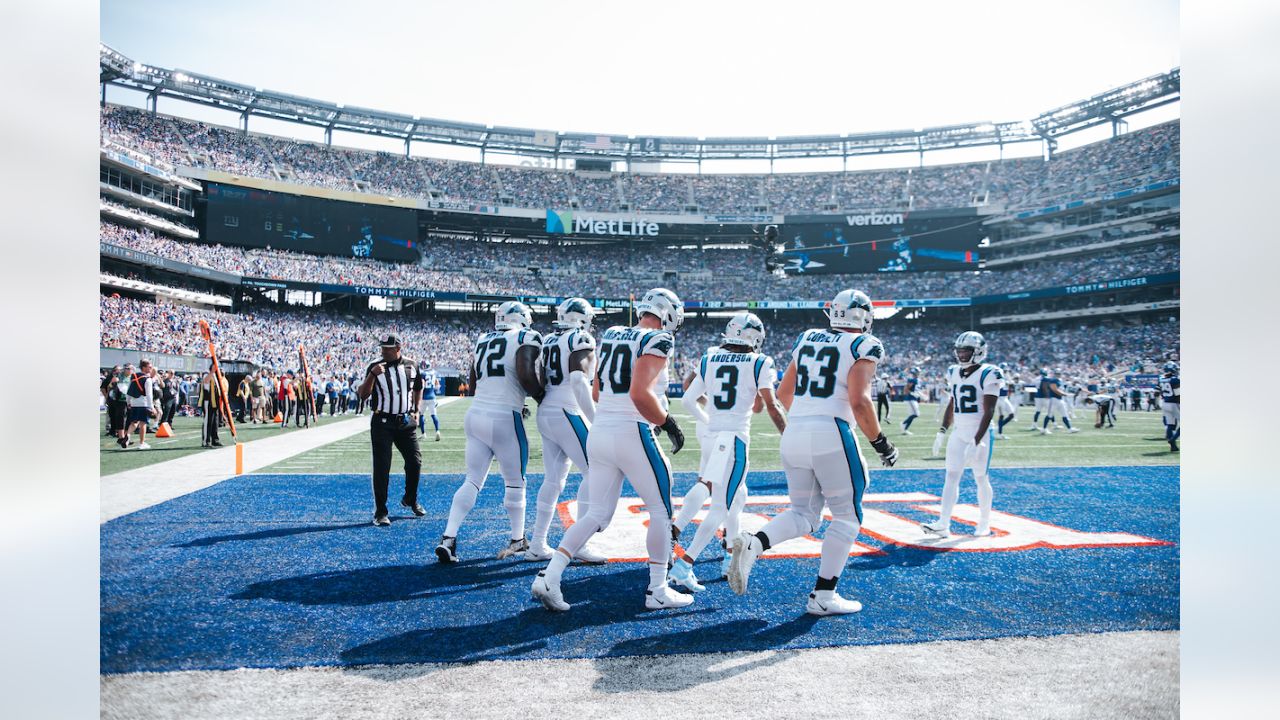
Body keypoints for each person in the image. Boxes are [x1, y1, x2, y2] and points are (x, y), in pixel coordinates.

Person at [727, 289, 898, 616]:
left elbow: (783, 394)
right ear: (864, 316)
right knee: (848, 516)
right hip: (831, 431)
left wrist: (808, 418)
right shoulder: (864, 344)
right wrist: (881, 443)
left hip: (795, 432)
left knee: (804, 514)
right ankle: (824, 595)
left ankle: (755, 543)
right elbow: (860, 401)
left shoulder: (807, 338)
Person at [531, 288, 689, 612]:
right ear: (669, 313)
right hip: (632, 432)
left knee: (595, 513)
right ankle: (658, 589)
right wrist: (669, 423)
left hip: (600, 433)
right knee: (661, 512)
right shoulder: (658, 339)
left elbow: (598, 391)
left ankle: (551, 575)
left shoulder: (614, 333)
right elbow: (639, 394)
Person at [669, 312, 787, 592]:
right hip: (734, 439)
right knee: (721, 505)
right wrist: (788, 434)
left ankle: (727, 554)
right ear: (755, 337)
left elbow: (686, 399)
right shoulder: (760, 361)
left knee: (736, 497)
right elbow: (770, 405)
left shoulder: (710, 358)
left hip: (713, 437)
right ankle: (685, 564)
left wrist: (712, 420)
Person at [437, 302, 544, 561]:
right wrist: (541, 396)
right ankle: (518, 538)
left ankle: (448, 538)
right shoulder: (525, 336)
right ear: (521, 319)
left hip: (475, 415)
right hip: (505, 416)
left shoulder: (483, 339)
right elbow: (526, 375)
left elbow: (473, 383)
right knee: (515, 482)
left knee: (472, 480)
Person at [526, 298, 608, 563]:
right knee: (594, 471)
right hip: (567, 409)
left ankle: (538, 543)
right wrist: (596, 421)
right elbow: (578, 380)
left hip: (547, 408)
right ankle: (579, 544)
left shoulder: (549, 339)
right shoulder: (580, 338)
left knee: (553, 480)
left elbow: (539, 376)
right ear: (583, 318)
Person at [922, 332, 1004, 538]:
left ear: (978, 352)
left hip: (981, 434)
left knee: (980, 477)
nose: (962, 355)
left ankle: (984, 523)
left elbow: (990, 411)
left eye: (966, 351)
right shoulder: (953, 372)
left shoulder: (990, 373)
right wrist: (942, 430)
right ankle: (943, 523)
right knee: (951, 476)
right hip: (959, 432)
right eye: (959, 351)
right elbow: (953, 402)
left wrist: (977, 441)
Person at [357, 335, 425, 526]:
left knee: (415, 461)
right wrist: (372, 375)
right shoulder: (375, 366)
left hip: (404, 420)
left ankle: (410, 498)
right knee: (382, 467)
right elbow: (362, 395)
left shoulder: (412, 365)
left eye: (387, 348)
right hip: (382, 422)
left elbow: (419, 387)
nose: (383, 352)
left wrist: (416, 409)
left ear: (398, 348)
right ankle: (380, 512)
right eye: (382, 348)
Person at [120, 359, 157, 450]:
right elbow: (149, 395)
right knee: (143, 423)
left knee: (134, 422)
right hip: (143, 403)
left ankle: (127, 435)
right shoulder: (147, 379)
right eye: (149, 367)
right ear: (144, 367)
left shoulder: (134, 377)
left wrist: (128, 402)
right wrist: (151, 407)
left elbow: (129, 391)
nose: (151, 369)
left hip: (134, 403)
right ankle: (142, 443)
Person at [199, 364, 228, 448]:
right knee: (208, 421)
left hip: (215, 401)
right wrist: (212, 371)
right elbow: (206, 381)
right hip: (208, 401)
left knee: (215, 421)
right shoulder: (207, 374)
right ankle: (206, 441)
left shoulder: (216, 376)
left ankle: (215, 440)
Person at [1159, 361, 1180, 452]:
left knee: (1170, 425)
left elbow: (1161, 392)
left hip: (1165, 403)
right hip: (1174, 403)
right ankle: (1173, 439)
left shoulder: (1161, 379)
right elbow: (1178, 394)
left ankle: (1173, 446)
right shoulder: (1175, 379)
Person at [417, 362, 442, 441]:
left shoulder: (422, 374)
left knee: (421, 415)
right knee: (434, 415)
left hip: (424, 397)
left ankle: (423, 433)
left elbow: (422, 386)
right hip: (432, 396)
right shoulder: (433, 373)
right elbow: (437, 385)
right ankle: (437, 431)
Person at [900, 368, 921, 435]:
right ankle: (904, 423)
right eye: (918, 372)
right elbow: (906, 389)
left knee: (913, 414)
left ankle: (905, 429)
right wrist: (911, 393)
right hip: (911, 399)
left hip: (914, 399)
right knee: (916, 414)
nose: (919, 373)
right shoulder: (913, 380)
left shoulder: (916, 380)